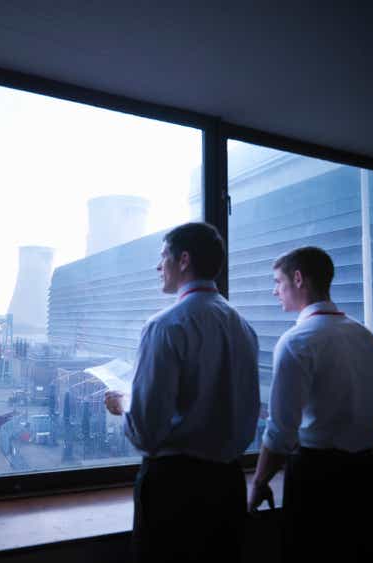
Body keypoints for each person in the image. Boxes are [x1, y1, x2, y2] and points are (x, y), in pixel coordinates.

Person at [104, 222, 259, 563]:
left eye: (163, 257)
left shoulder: (164, 326)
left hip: (175, 492)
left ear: (183, 260)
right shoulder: (243, 327)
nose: (159, 267)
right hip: (229, 485)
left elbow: (147, 431)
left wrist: (124, 405)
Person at [248, 246, 373, 563]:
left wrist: (259, 482)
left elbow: (281, 432)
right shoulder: (366, 338)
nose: (274, 291)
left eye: (278, 282)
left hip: (318, 478)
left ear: (298, 279)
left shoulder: (297, 341)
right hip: (366, 475)